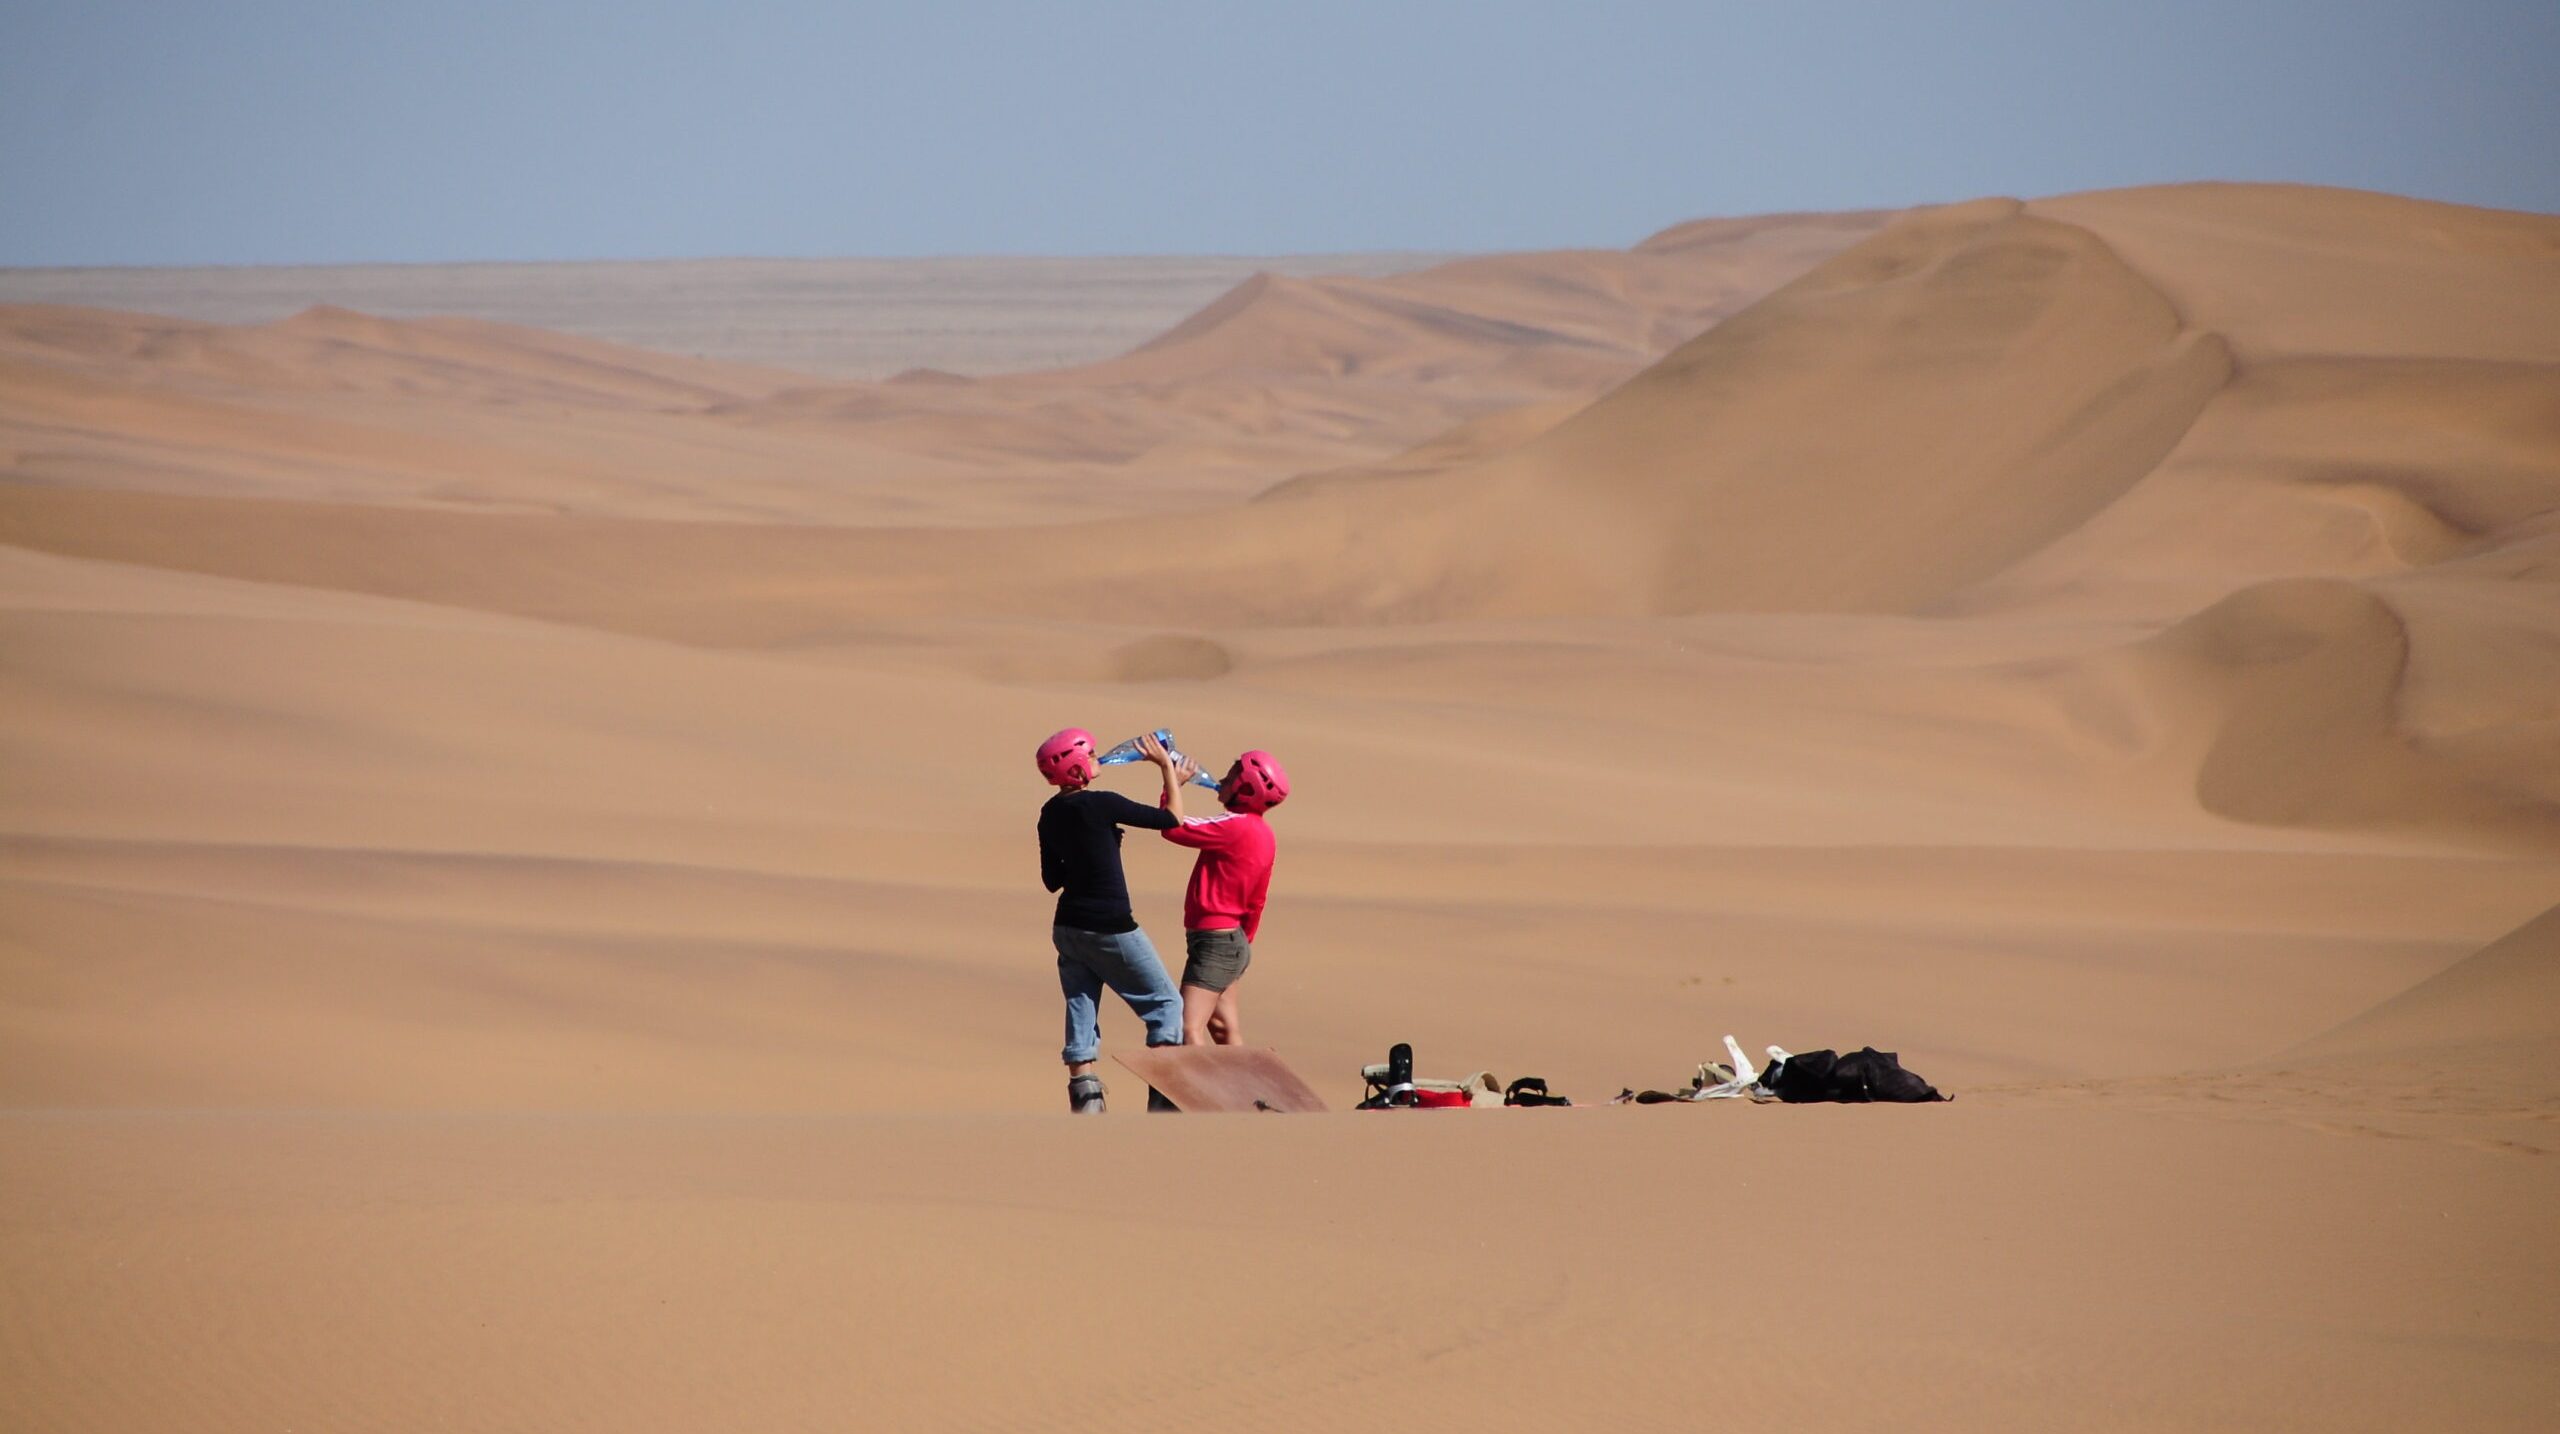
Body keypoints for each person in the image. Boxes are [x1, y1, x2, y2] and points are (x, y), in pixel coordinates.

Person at [1037, 728, 1187, 1114]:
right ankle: (1163, 1102)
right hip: (1109, 924)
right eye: (1090, 755)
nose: (1097, 758)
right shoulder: (1101, 804)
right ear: (1077, 770)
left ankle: (1086, 1099)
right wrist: (1167, 767)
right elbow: (1172, 819)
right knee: (1167, 1005)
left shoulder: (1049, 813)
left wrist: (1093, 848)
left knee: (1082, 1003)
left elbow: (1052, 880)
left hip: (1068, 927)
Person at [1158, 749, 1287, 1048]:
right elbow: (1258, 899)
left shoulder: (1234, 826)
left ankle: (1200, 1095)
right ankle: (1246, 1094)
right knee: (1224, 1029)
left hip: (1216, 942)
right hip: (1232, 941)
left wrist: (1172, 785)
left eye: (1231, 776)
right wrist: (1242, 943)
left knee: (1186, 1029)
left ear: (1245, 788)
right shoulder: (1264, 834)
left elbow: (1172, 827)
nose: (1220, 780)